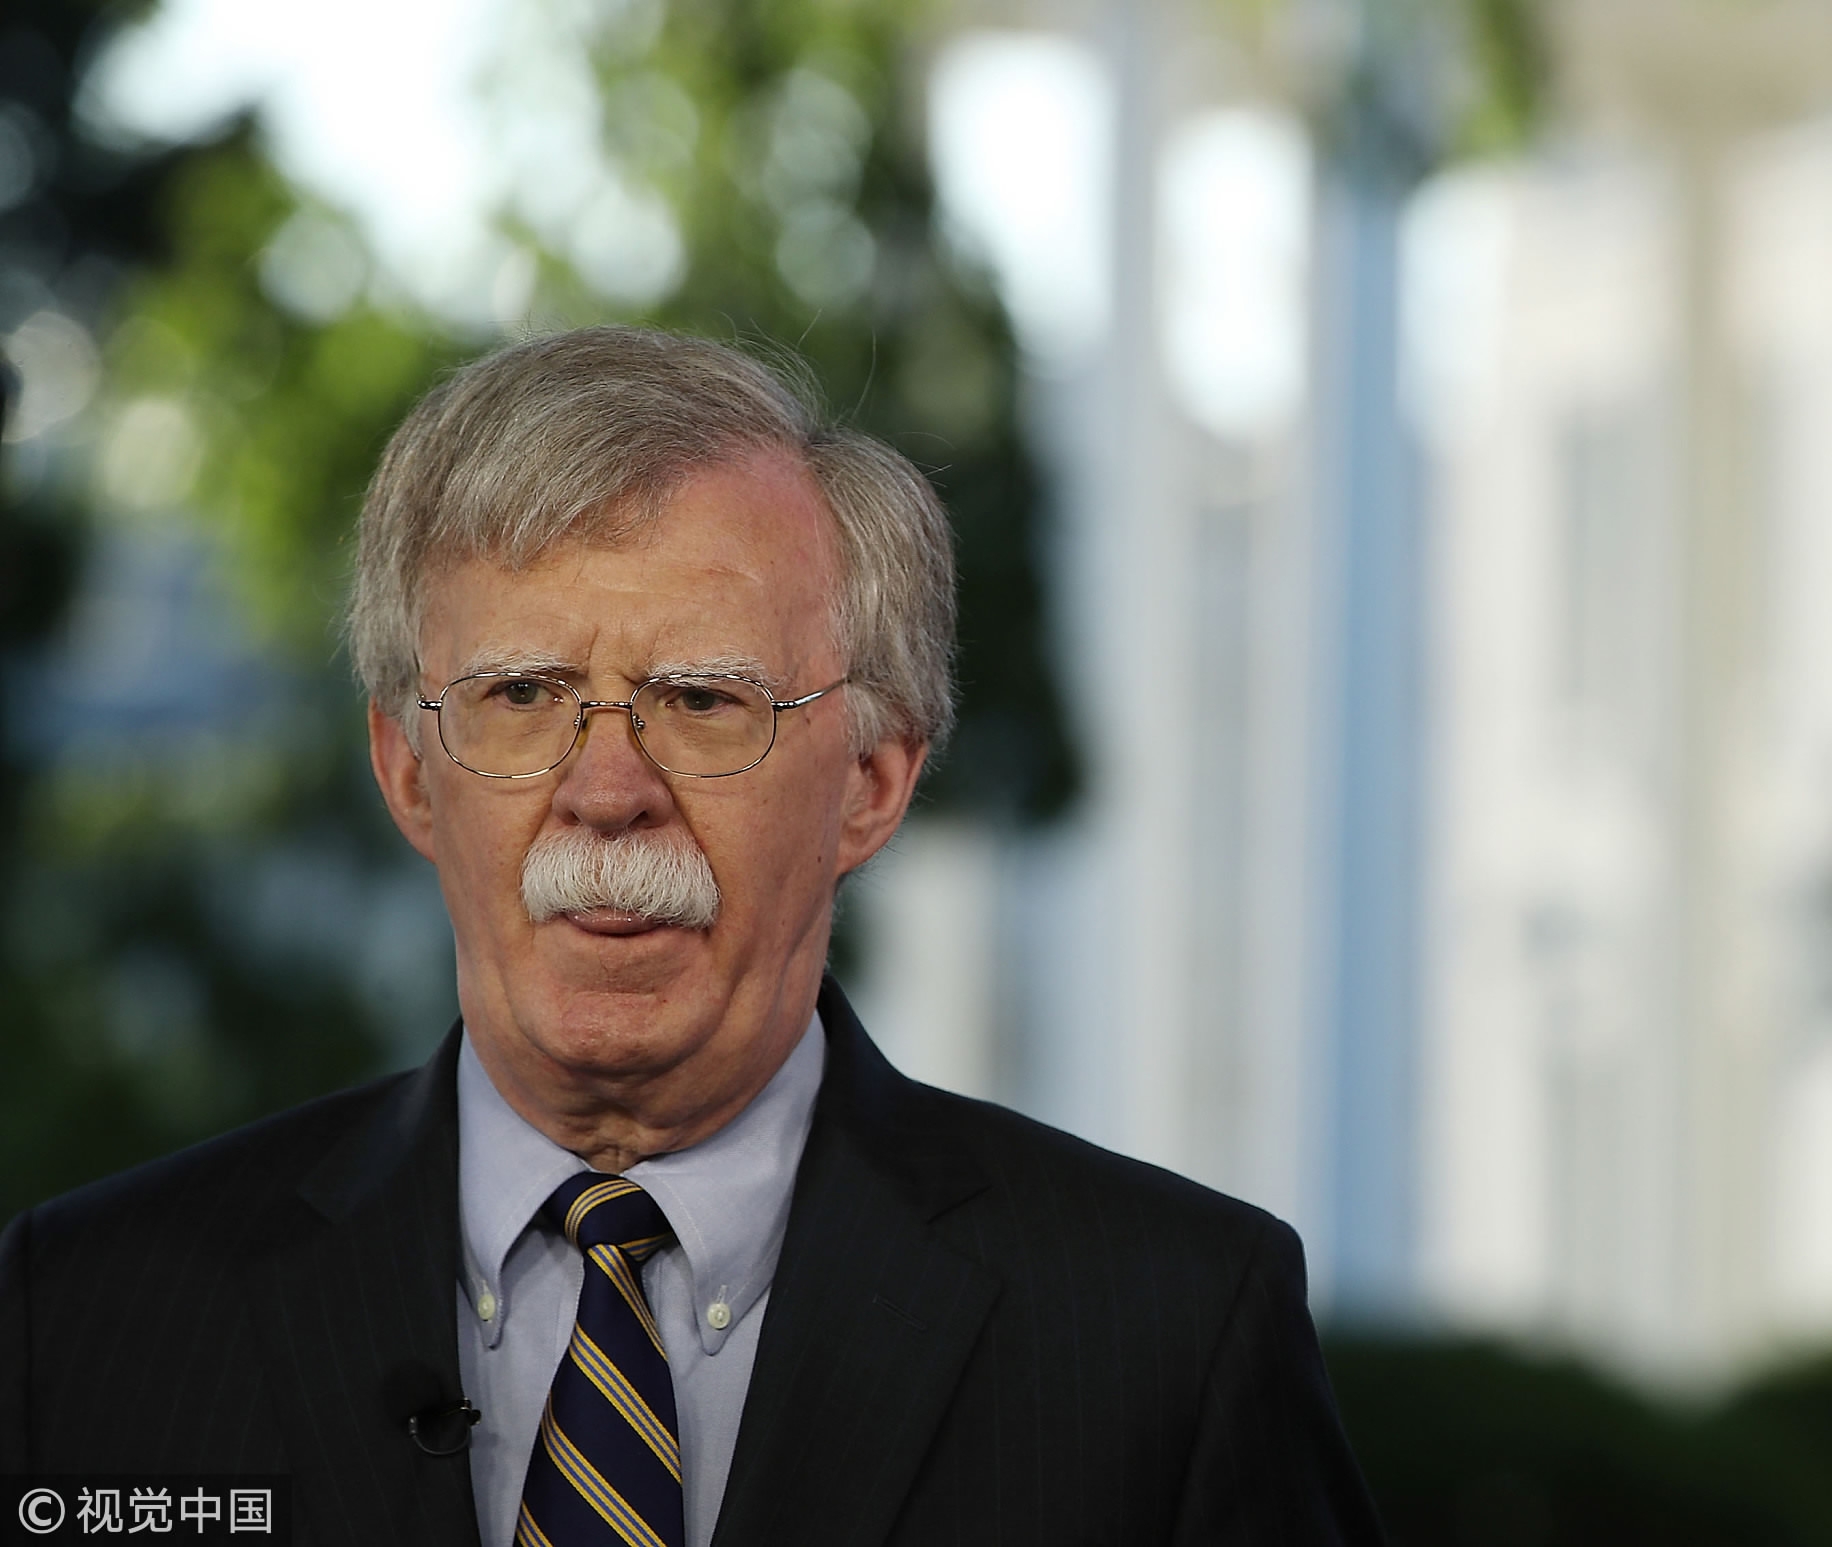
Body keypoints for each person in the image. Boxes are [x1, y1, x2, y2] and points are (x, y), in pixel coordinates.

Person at [0, 327, 1382, 1545]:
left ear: (872, 782)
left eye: (706, 702)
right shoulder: (86, 1318)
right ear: (409, 771)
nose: (607, 790)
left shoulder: (1169, 1336)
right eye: (522, 694)